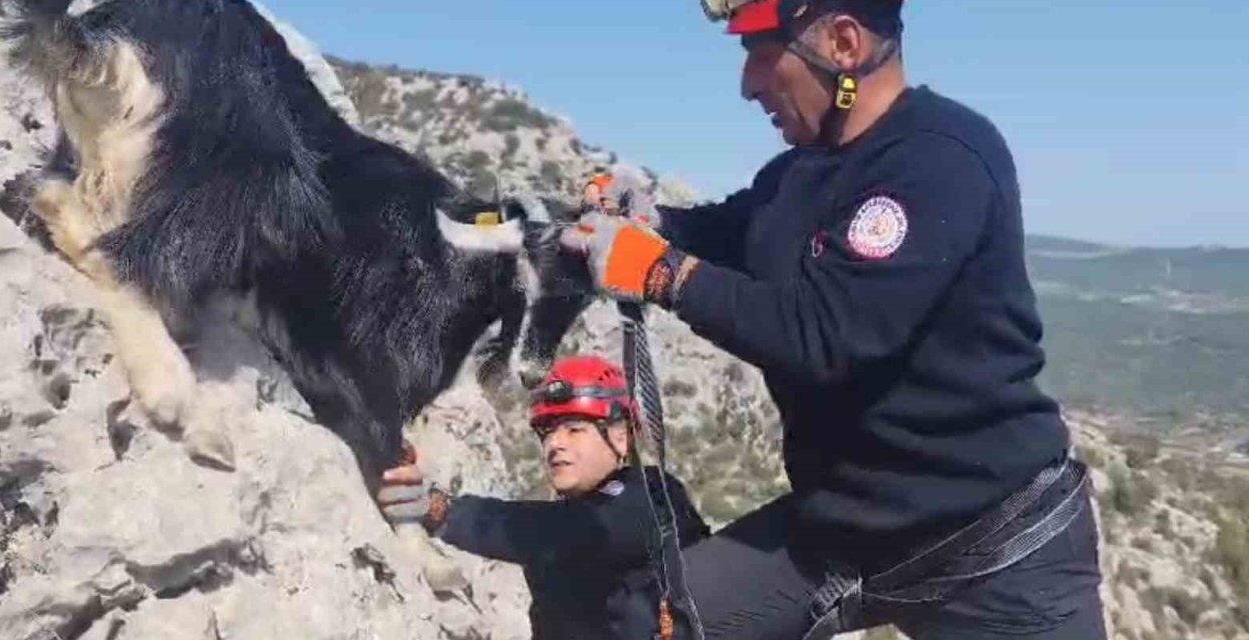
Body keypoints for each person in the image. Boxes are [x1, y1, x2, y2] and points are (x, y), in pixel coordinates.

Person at [557, 0, 1107, 638]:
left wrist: (658, 272)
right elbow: (724, 232)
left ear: (844, 44)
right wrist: (650, 222)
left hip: (995, 548)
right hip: (848, 531)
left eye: (761, 54)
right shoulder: (798, 173)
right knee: (647, 620)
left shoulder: (939, 157)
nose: (748, 85)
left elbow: (825, 334)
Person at [379, 355, 710, 640]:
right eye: (547, 432)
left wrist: (443, 510)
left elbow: (573, 530)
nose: (555, 443)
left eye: (574, 429)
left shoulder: (653, 497)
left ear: (621, 438)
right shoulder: (555, 536)